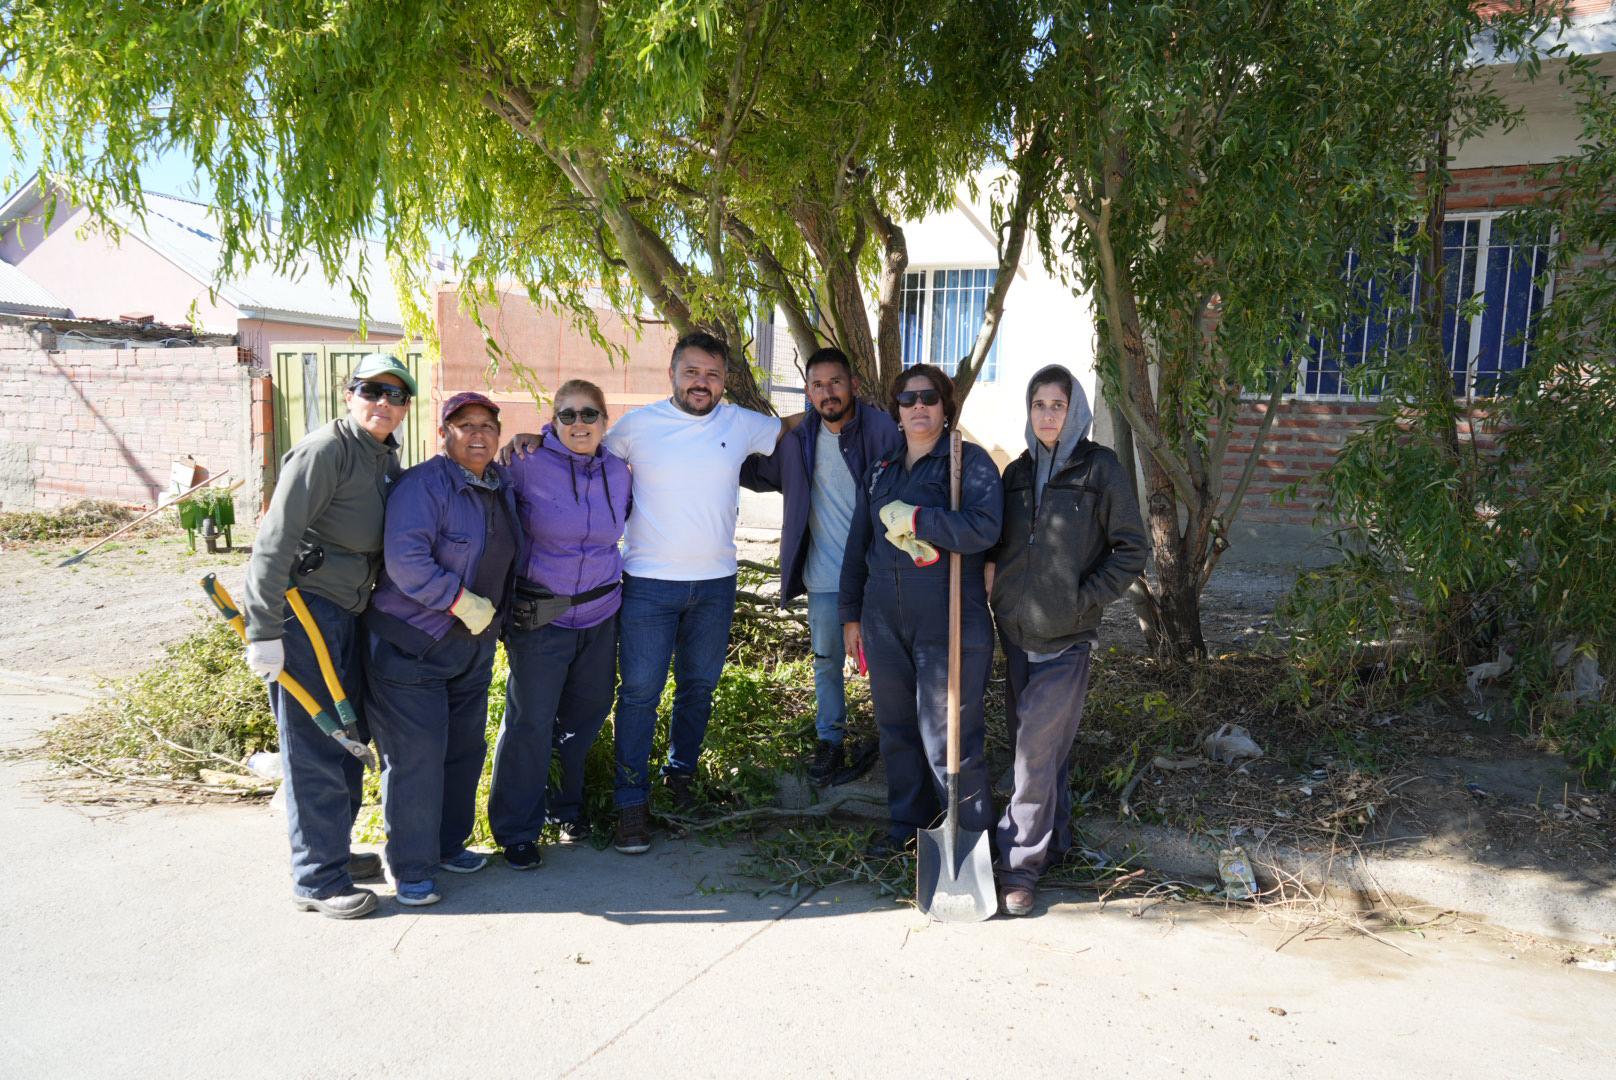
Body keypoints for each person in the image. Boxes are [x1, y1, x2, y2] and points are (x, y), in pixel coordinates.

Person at [242, 352, 414, 919]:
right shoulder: (326, 451)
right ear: (350, 394)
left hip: (349, 610)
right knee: (315, 743)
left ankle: (332, 850)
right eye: (373, 391)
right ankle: (317, 879)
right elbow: (274, 540)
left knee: (349, 737)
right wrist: (263, 630)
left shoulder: (383, 457)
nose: (384, 403)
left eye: (396, 395)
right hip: (304, 614)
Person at [987, 364, 1148, 916]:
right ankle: (1054, 841)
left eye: (1058, 404)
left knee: (1033, 754)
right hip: (1015, 632)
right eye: (1039, 405)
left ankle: (1020, 868)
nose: (1048, 415)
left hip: (1067, 638)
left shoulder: (1099, 468)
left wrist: (1084, 598)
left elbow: (1131, 548)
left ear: (1075, 408)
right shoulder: (1018, 473)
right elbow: (1005, 544)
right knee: (1038, 750)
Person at [363, 391, 522, 907]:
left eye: (487, 426)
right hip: (413, 645)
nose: (478, 435)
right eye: (464, 425)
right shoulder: (424, 485)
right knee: (417, 759)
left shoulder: (498, 485)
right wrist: (460, 601)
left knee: (462, 750)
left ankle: (448, 844)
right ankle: (409, 866)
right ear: (443, 435)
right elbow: (407, 561)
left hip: (472, 645)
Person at [839, 364, 1003, 858]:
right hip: (884, 622)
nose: (918, 408)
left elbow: (985, 528)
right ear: (896, 410)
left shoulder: (967, 463)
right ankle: (908, 826)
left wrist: (920, 519)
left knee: (948, 736)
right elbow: (857, 546)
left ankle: (971, 842)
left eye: (929, 398)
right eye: (907, 400)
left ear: (946, 406)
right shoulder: (881, 470)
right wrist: (851, 615)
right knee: (896, 730)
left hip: (949, 617)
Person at [488, 380, 631, 868]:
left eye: (589, 414)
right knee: (530, 722)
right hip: (542, 617)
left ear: (604, 420)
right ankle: (515, 828)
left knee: (585, 715)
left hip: (601, 613)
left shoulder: (619, 470)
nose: (578, 424)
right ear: (552, 421)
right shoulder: (523, 464)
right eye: (566, 415)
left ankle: (563, 808)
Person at [741, 347, 900, 785]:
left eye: (836, 382)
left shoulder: (883, 430)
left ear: (853, 386)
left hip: (882, 573)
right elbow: (754, 471)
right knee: (827, 662)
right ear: (807, 392)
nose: (827, 392)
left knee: (890, 663)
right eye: (817, 385)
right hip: (826, 577)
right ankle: (830, 741)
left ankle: (898, 744)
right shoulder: (799, 440)